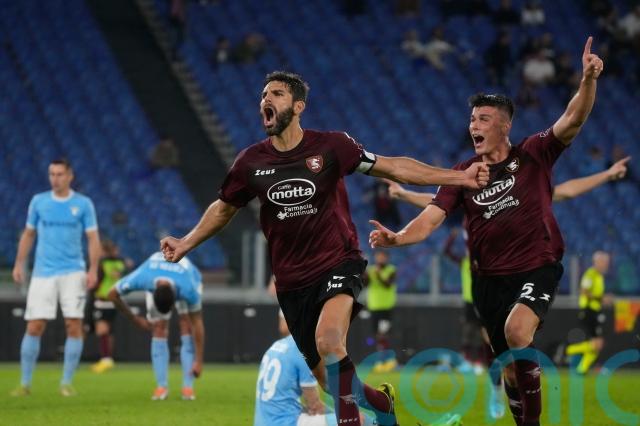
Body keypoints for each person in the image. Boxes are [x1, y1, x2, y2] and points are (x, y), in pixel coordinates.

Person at [160, 70, 490, 426]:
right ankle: (383, 407)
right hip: (291, 282)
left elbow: (394, 167)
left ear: (298, 106)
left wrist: (459, 177)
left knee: (330, 343)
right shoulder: (250, 163)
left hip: (338, 262)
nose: (266, 99)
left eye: (277, 94)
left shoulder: (332, 147)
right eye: (264, 95)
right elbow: (223, 209)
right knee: (330, 382)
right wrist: (186, 242)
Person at [370, 38, 604, 426]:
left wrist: (588, 80)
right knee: (510, 369)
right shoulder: (463, 174)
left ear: (505, 126)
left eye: (483, 119)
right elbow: (431, 218)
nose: (473, 126)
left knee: (517, 330)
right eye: (472, 120)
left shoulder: (533, 154)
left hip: (537, 266)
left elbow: (572, 119)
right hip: (488, 283)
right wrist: (399, 237)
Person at [11, 158, 100, 397]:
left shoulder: (83, 204)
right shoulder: (39, 201)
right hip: (43, 273)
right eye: (52, 174)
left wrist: (93, 269)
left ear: (70, 176)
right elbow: (29, 234)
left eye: (60, 174)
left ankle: (66, 382)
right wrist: (19, 263)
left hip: (73, 272)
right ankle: (25, 383)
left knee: (74, 325)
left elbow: (93, 238)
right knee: (34, 326)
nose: (55, 179)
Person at [107, 252, 204, 401]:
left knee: (187, 325)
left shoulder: (188, 289)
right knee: (159, 327)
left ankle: (187, 387)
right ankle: (161, 387)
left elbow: (197, 323)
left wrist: (199, 360)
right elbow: (112, 294)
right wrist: (135, 319)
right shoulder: (143, 277)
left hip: (187, 273)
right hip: (157, 271)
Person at [255, 311, 375, 426]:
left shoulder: (277, 345)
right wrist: (346, 416)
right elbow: (314, 406)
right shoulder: (304, 350)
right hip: (286, 422)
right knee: (360, 419)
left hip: (264, 422)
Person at [565, 251, 612, 374]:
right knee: (597, 343)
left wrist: (601, 299)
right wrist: (601, 298)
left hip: (595, 310)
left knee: (597, 343)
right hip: (589, 310)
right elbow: (584, 291)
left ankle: (582, 369)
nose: (606, 264)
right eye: (604, 262)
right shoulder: (591, 274)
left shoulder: (599, 276)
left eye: (607, 262)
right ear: (597, 262)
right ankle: (569, 350)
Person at [88, 239, 130, 373]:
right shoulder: (121, 263)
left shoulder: (102, 263)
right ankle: (108, 358)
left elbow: (96, 282)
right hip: (115, 300)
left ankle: (105, 359)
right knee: (109, 331)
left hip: (103, 299)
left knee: (101, 330)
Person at [364, 250, 398, 373]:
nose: (380, 259)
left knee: (383, 333)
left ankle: (384, 360)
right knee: (377, 335)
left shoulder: (391, 270)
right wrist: (364, 273)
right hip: (374, 307)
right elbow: (366, 284)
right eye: (378, 257)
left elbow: (387, 285)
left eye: (383, 257)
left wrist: (378, 274)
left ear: (387, 258)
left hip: (386, 307)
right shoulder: (371, 270)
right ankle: (385, 360)